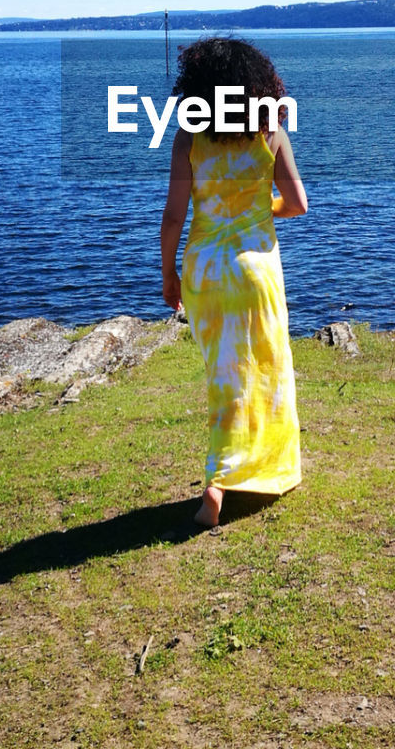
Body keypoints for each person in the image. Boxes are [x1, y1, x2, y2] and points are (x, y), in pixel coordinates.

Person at [159, 37, 308, 528]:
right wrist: (257, 214)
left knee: (224, 376)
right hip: (257, 269)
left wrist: (168, 275)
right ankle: (249, 475)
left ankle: (220, 485)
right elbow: (298, 204)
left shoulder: (188, 138)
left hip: (204, 269)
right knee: (266, 368)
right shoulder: (273, 134)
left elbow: (173, 221)